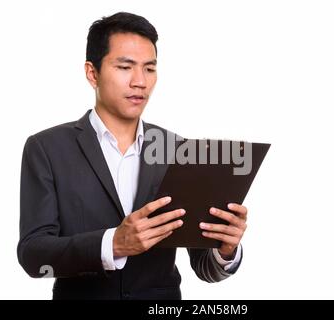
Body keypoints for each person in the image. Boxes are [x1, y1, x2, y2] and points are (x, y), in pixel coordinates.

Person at [18, 12, 248, 300]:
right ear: (93, 73)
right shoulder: (46, 148)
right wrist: (112, 244)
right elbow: (33, 255)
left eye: (149, 69)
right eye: (125, 67)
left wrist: (225, 249)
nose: (140, 81)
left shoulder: (178, 150)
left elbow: (204, 267)